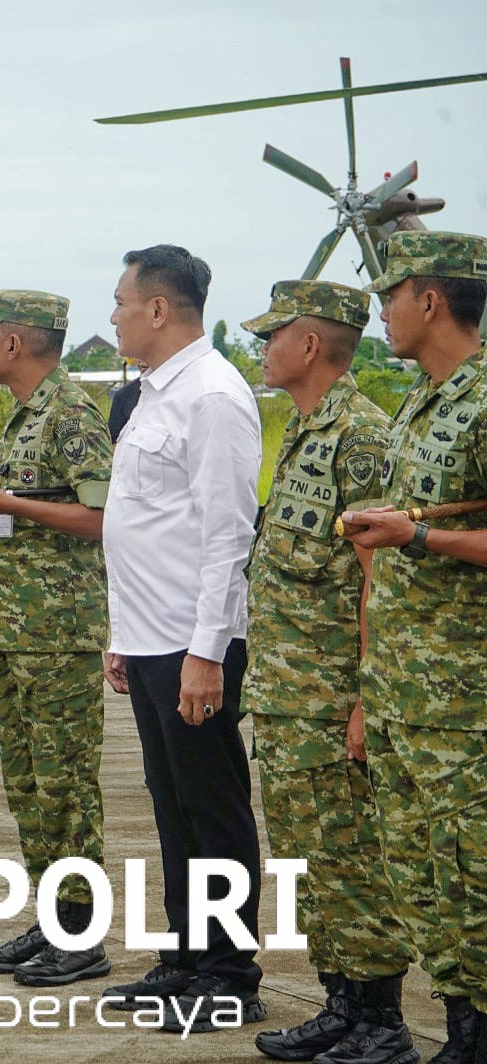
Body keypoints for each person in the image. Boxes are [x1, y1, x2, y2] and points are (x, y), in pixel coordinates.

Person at [238, 280, 417, 1064]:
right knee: (311, 865)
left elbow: (380, 579)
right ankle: (341, 1006)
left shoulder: (361, 437)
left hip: (331, 698)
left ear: (309, 345)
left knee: (351, 866)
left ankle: (382, 1023)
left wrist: (366, 700)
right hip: (287, 697)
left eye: (272, 335)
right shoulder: (308, 429)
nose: (262, 349)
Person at [98, 245, 267, 1031]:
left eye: (122, 302)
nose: (114, 317)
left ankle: (230, 975)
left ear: (159, 309)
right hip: (151, 637)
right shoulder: (151, 395)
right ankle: (188, 957)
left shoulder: (213, 396)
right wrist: (123, 635)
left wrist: (207, 651)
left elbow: (227, 536)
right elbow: (146, 524)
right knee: (173, 806)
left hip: (194, 645)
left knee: (213, 807)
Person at [341, 230, 487, 1064]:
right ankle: (463, 1030)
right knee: (423, 882)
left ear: (429, 300)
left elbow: (422, 538)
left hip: (464, 703)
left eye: (388, 297)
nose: (381, 315)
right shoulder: (418, 404)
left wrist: (421, 536)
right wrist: (369, 689)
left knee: (473, 879)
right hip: (402, 693)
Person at [0, 290, 114, 985]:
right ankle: (53, 920)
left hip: (58, 634)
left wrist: (9, 504)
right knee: (28, 785)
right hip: (18, 630)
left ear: (15, 342)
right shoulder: (27, 415)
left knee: (65, 787)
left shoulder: (70, 413)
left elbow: (103, 517)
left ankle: (82, 934)